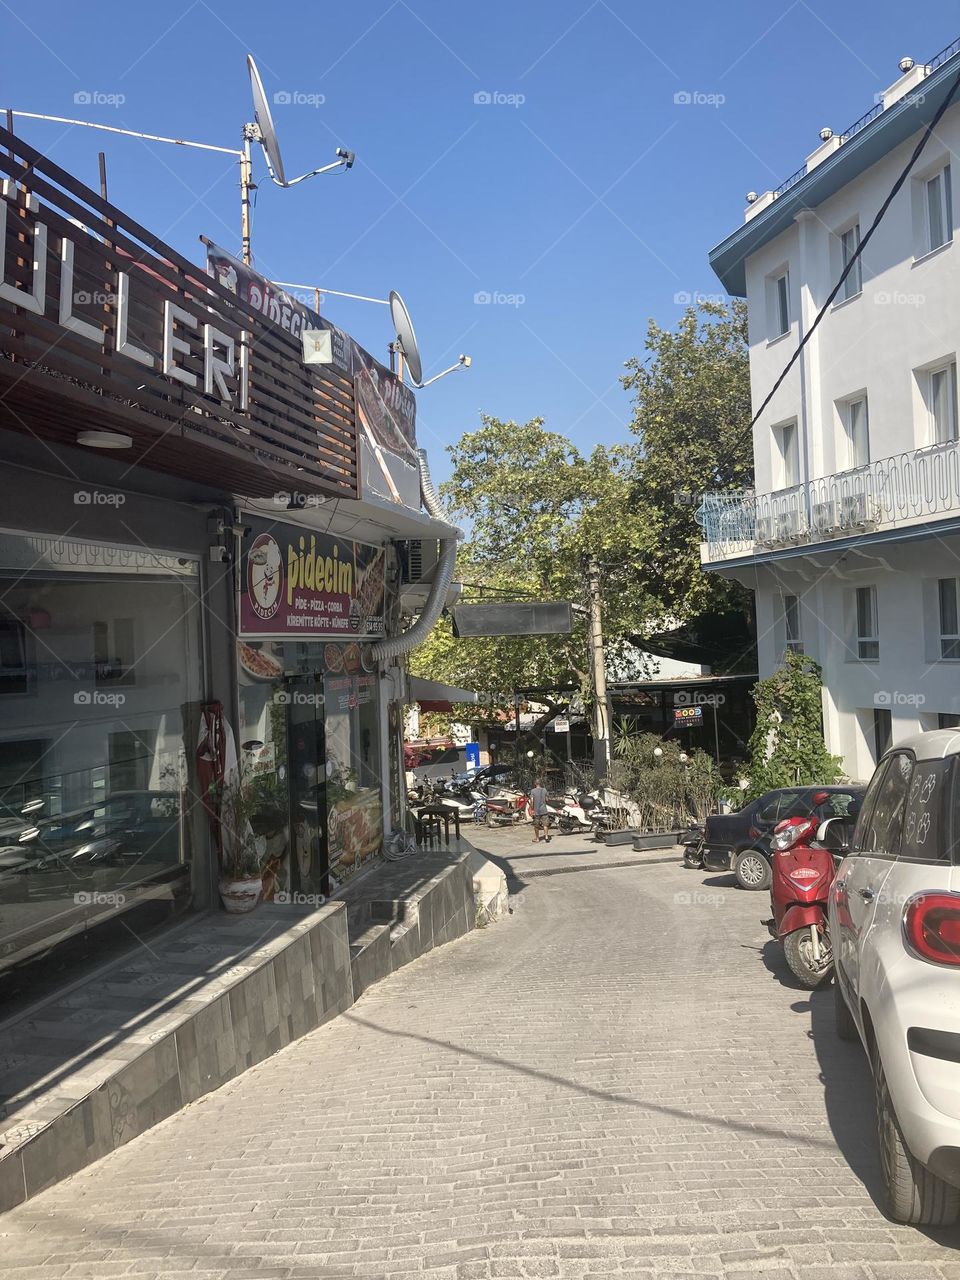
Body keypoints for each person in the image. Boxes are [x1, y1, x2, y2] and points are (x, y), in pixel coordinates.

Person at [530, 778, 551, 843]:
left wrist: (531, 808)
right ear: (541, 783)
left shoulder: (533, 791)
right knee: (545, 824)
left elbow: (532, 800)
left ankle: (537, 838)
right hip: (544, 810)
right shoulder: (544, 790)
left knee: (536, 825)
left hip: (537, 811)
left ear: (535, 784)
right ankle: (546, 837)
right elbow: (547, 800)